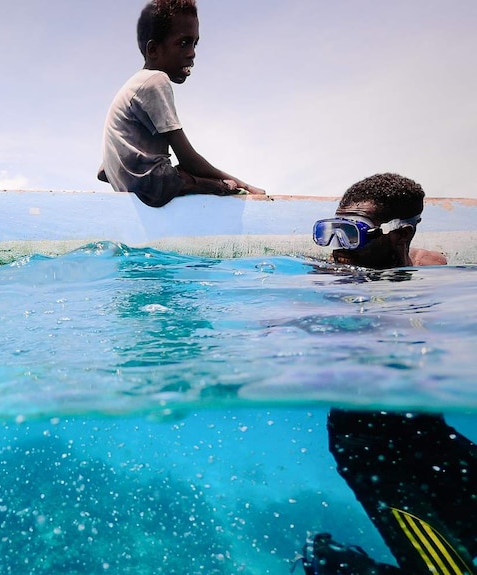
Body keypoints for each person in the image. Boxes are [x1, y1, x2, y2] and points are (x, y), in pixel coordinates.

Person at [299, 174, 475, 575]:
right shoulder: (329, 281)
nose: (336, 249)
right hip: (368, 449)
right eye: (330, 232)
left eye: (352, 234)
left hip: (432, 437)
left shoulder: (432, 269)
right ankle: (334, 566)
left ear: (400, 235)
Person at [97, 0, 265, 207]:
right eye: (184, 43)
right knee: (220, 185)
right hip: (154, 188)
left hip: (131, 187)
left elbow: (103, 172)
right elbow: (189, 159)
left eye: (195, 44)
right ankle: (210, 185)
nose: (192, 53)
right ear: (153, 50)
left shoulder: (132, 86)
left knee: (181, 172)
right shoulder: (155, 80)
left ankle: (190, 181)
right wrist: (244, 186)